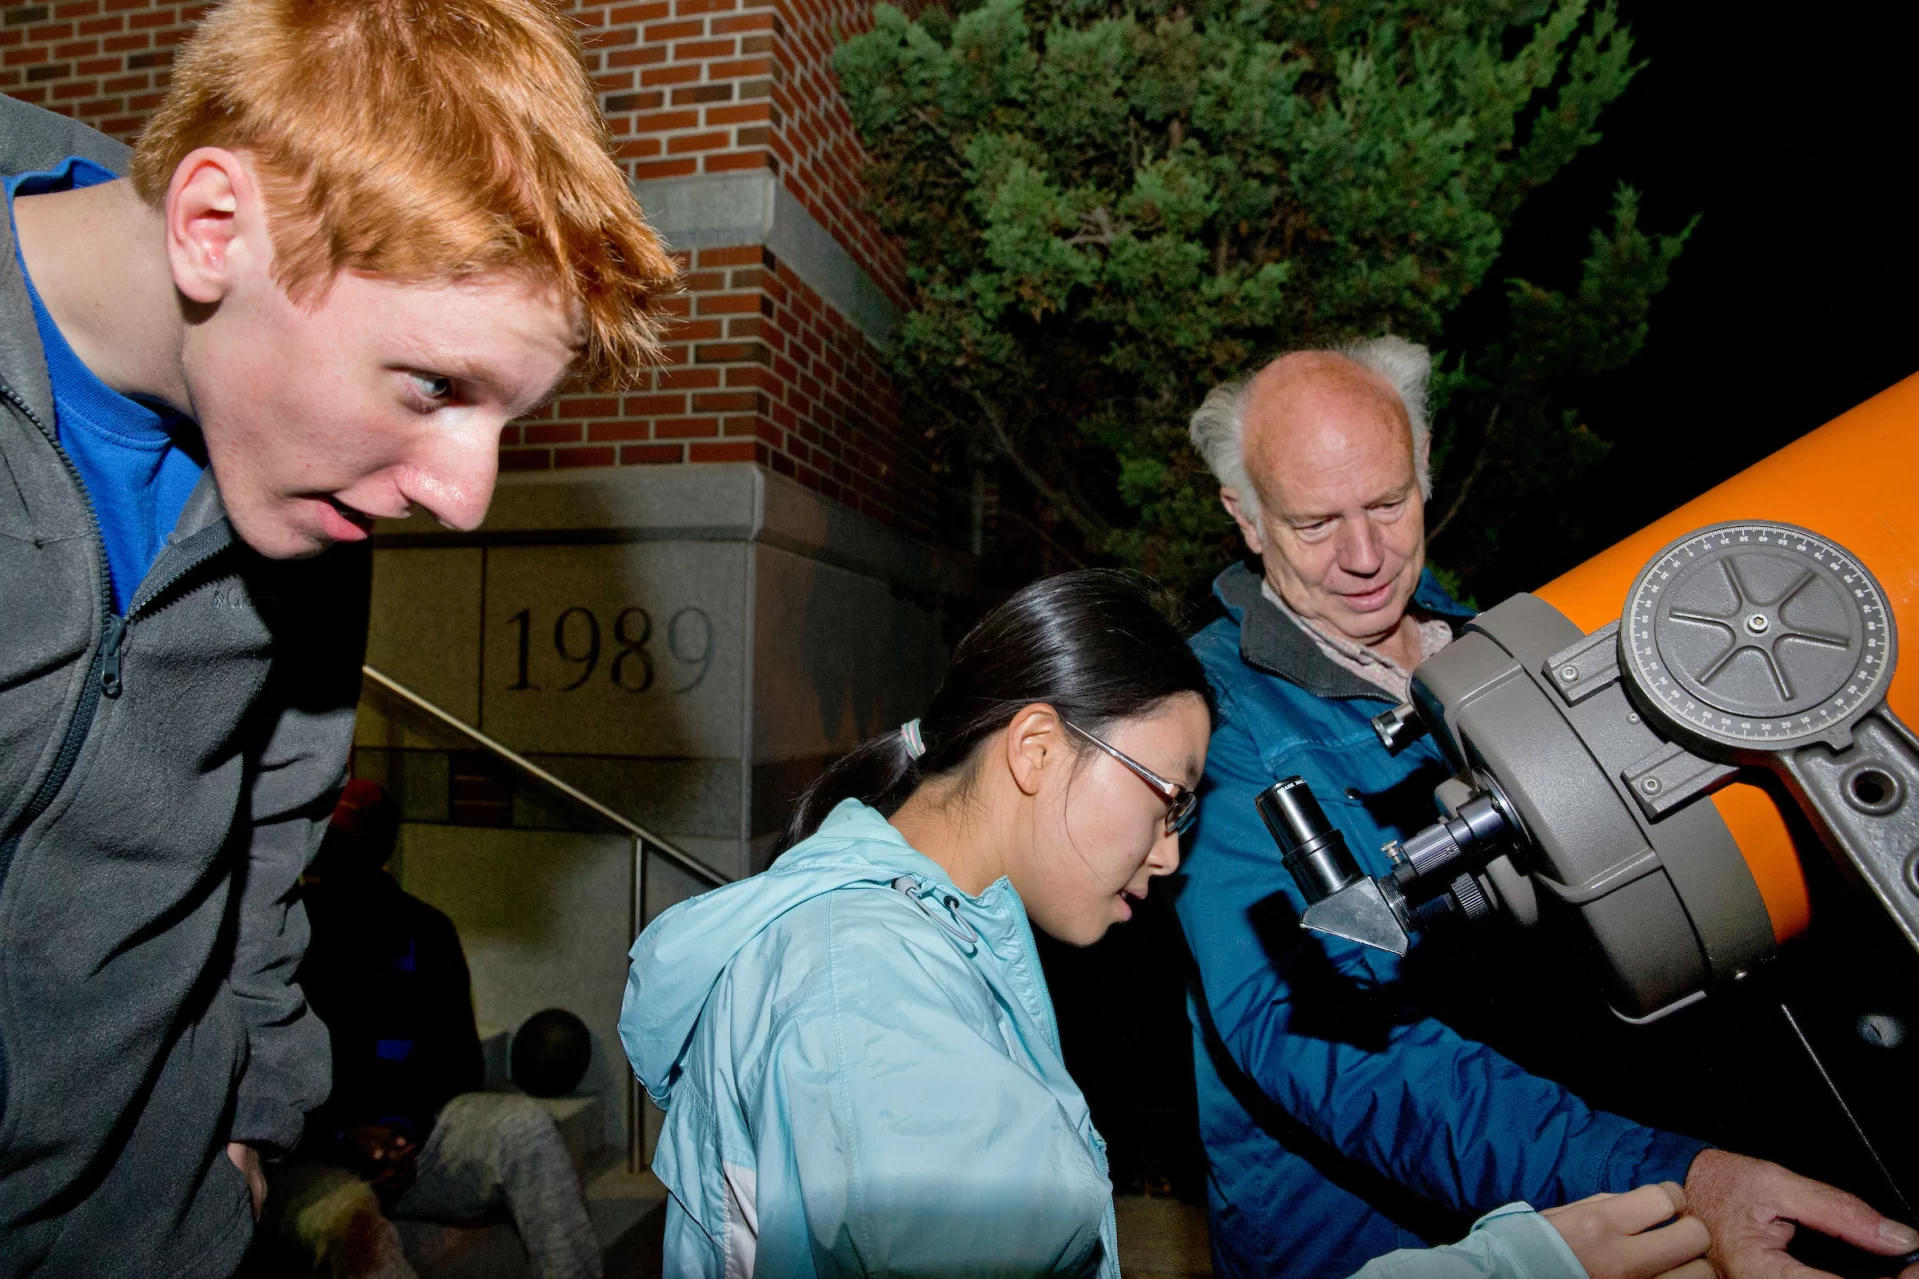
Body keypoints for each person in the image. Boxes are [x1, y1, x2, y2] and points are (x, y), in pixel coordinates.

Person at [0, 1, 676, 1271]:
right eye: (433, 385)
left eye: (501, 419)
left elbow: (268, 838)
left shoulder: (304, 499)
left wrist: (248, 1128)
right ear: (214, 226)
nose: (461, 498)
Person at [618, 570, 1712, 1279]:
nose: (1171, 851)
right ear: (1036, 749)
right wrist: (1510, 1268)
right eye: (1167, 798)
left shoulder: (886, 937)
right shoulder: (881, 1011)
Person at [1177, 338, 1919, 1279]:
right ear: (1244, 518)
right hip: (1375, 1242)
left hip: (1575, 1192)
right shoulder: (1214, 721)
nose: (1363, 556)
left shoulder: (1489, 650)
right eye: (1314, 522)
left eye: (1388, 503)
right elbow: (1335, 1048)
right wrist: (1666, 1175)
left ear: (1426, 473)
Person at [258, 780, 602, 1279]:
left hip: (413, 1146)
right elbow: (261, 1084)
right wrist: (343, 1136)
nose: (344, 854)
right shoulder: (277, 940)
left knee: (525, 1129)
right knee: (355, 1227)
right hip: (309, 1158)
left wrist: (398, 1132)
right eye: (335, 840)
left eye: (361, 839)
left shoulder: (424, 929)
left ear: (384, 844)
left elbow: (458, 1062)